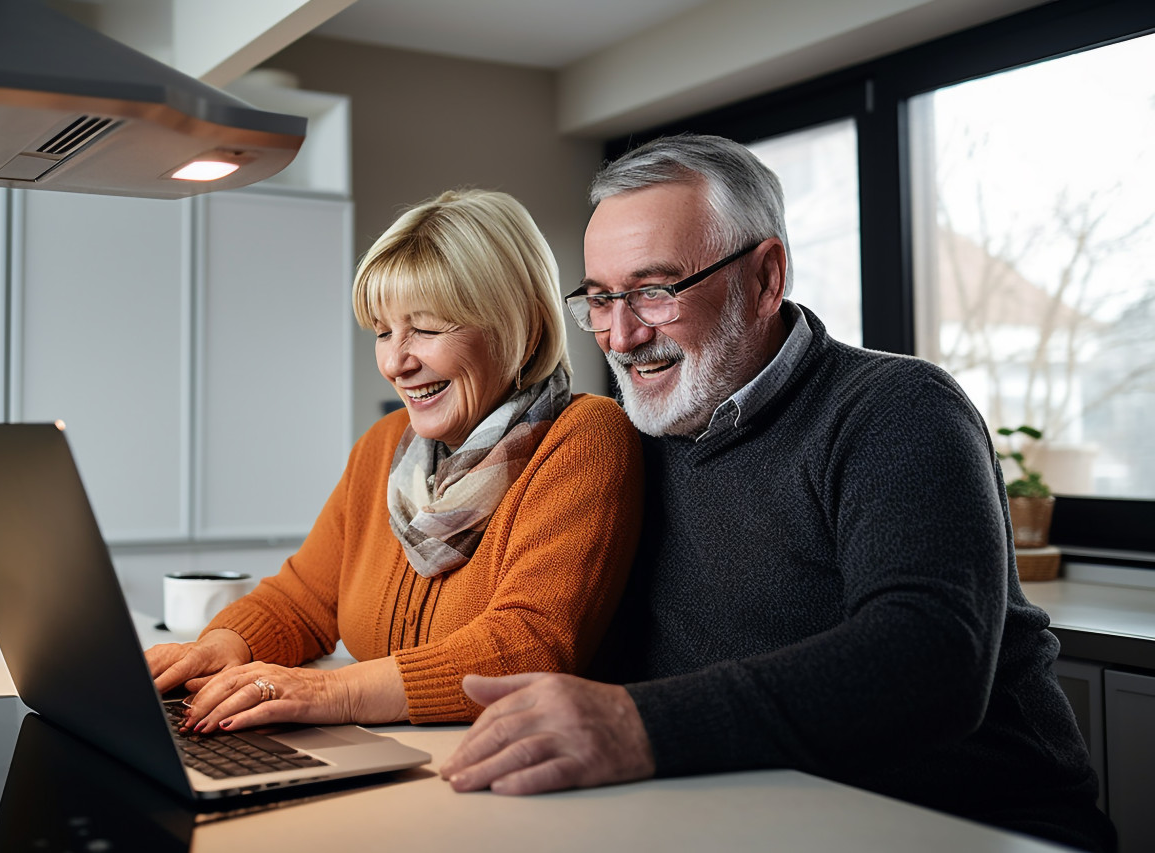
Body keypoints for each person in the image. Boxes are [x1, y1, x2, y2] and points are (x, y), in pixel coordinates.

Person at [438, 136, 1116, 853]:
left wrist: (637, 723)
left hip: (970, 829)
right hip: (750, 818)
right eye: (601, 298)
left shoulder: (898, 409)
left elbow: (930, 659)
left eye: (655, 291)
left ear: (766, 278)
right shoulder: (624, 442)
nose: (621, 334)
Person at [146, 189, 643, 732]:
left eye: (426, 329)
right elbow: (304, 598)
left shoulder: (585, 436)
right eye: (383, 332)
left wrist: (330, 692)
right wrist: (219, 646)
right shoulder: (384, 444)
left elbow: (527, 648)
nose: (394, 362)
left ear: (520, 331)